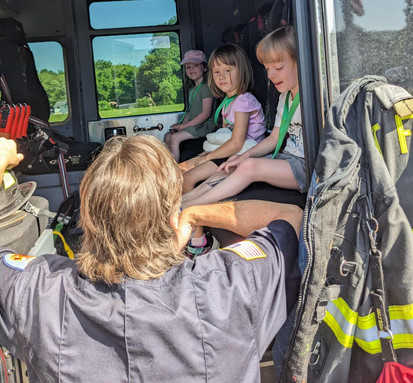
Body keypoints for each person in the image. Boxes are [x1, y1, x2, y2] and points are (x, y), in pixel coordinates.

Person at [0, 135, 302, 383]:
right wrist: (194, 214)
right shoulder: (229, 286)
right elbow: (290, 216)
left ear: (87, 220)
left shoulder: (41, 292)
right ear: (172, 220)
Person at [182, 26, 305, 215]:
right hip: (285, 159)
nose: (270, 75)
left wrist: (245, 159)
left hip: (304, 166)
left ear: (301, 61)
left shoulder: (313, 97)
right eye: (267, 69)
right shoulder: (285, 97)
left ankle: (189, 207)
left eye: (278, 68)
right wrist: (242, 157)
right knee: (234, 163)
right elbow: (274, 138)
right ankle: (187, 198)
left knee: (248, 165)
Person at [181, 43, 266, 194]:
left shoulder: (243, 101)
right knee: (179, 169)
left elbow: (236, 143)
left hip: (243, 154)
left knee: (187, 178)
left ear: (241, 71)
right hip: (229, 152)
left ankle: (188, 207)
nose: (221, 76)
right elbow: (225, 135)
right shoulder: (227, 101)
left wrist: (208, 157)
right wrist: (206, 154)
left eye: (227, 70)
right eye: (216, 72)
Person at [164, 49, 215, 161]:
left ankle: (175, 168)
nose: (191, 69)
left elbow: (205, 114)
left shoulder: (206, 88)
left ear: (204, 68)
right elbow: (190, 112)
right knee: (168, 136)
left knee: (175, 139)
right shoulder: (192, 90)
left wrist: (185, 126)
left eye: (195, 65)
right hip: (194, 125)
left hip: (203, 126)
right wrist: (180, 125)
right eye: (188, 67)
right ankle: (168, 165)